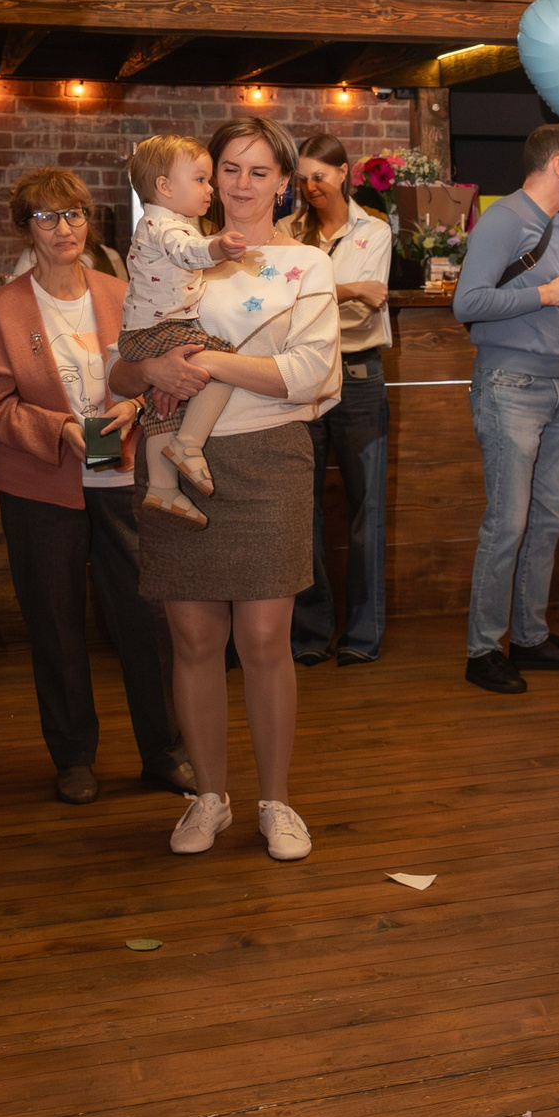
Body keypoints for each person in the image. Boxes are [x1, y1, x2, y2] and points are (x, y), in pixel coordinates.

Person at [108, 117, 339, 862]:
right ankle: (208, 796)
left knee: (266, 640)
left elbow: (310, 373)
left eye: (258, 170)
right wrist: (150, 371)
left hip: (270, 458)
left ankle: (276, 802)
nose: (240, 184)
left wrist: (205, 363)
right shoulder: (176, 250)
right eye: (228, 168)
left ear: (284, 183)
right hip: (173, 463)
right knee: (194, 639)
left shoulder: (306, 264)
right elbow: (121, 366)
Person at [0, 166, 188, 805]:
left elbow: (155, 376)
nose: (63, 228)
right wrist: (60, 429)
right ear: (26, 228)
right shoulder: (7, 307)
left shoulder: (122, 292)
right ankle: (72, 757)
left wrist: (136, 407)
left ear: (89, 222)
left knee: (147, 620)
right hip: (40, 484)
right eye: (46, 217)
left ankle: (164, 752)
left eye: (73, 215)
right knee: (55, 623)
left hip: (121, 474)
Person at [450, 124, 559, 693]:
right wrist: (546, 293)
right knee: (507, 523)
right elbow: (468, 302)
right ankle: (483, 650)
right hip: (508, 385)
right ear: (558, 165)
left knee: (547, 520)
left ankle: (531, 638)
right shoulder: (503, 219)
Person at [288, 135, 393, 666]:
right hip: (303, 379)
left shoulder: (374, 230)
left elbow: (364, 311)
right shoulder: (287, 232)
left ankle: (362, 634)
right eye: (303, 178)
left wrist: (317, 297)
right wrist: (348, 289)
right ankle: (309, 634)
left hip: (358, 376)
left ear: (344, 173)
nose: (311, 187)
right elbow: (289, 304)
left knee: (366, 511)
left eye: (320, 176)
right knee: (299, 510)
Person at [115, 133, 244, 525]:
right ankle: (189, 444)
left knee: (162, 407)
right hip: (160, 328)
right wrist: (219, 247)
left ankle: (162, 487)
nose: (211, 189)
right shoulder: (166, 225)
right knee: (222, 361)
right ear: (165, 187)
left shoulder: (162, 222)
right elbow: (188, 253)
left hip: (142, 332)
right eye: (201, 180)